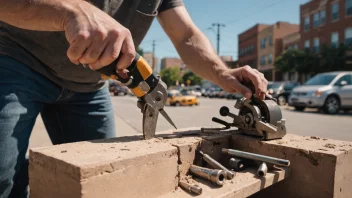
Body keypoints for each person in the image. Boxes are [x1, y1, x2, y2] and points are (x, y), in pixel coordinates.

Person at [0, 0, 268, 197]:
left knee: (103, 180)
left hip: (89, 87)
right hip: (14, 62)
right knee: (4, 180)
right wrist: (70, 9)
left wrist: (222, 72)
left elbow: (186, 36)